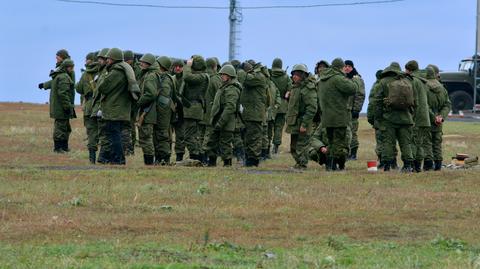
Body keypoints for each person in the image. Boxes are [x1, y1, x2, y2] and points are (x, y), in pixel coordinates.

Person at [318, 58, 358, 171]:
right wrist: (354, 80)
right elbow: (353, 88)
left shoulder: (323, 79)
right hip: (339, 116)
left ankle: (329, 164)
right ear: (340, 67)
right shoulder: (338, 78)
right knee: (339, 143)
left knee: (330, 142)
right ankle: (333, 165)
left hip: (326, 117)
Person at [374, 62, 415, 172]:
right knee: (406, 143)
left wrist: (378, 118)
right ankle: (407, 165)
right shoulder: (407, 81)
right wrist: (411, 115)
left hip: (389, 118)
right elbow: (414, 101)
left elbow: (377, 101)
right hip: (406, 118)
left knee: (388, 143)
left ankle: (387, 166)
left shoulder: (382, 82)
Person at [96, 48, 132, 165]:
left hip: (114, 109)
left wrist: (102, 78)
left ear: (114, 59)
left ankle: (118, 159)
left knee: (114, 135)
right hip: (119, 109)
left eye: (109, 58)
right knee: (115, 134)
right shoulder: (122, 70)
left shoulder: (116, 72)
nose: (107, 61)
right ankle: (115, 159)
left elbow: (103, 87)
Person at [205, 64, 241, 167]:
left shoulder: (232, 89)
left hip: (226, 121)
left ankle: (227, 164)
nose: (221, 76)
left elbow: (230, 107)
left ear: (229, 76)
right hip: (219, 119)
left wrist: (221, 122)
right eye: (221, 74)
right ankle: (211, 163)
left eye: (224, 74)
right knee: (212, 142)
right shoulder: (225, 86)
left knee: (225, 144)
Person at [39, 57, 76, 153]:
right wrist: (67, 107)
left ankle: (63, 147)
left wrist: (44, 85)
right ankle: (58, 148)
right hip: (61, 108)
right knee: (60, 128)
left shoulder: (59, 75)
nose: (72, 69)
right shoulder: (64, 77)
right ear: (66, 67)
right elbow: (63, 94)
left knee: (65, 128)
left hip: (59, 107)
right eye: (71, 67)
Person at [285, 64, 318, 169]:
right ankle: (299, 163)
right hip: (294, 122)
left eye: (298, 74)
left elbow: (312, 108)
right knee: (293, 146)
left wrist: (304, 124)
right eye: (294, 74)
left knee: (301, 146)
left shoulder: (308, 88)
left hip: (302, 122)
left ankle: (302, 165)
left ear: (303, 75)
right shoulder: (295, 87)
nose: (295, 76)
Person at [240, 60, 269, 167]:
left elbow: (246, 79)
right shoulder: (255, 76)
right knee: (248, 138)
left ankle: (253, 161)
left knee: (254, 138)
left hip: (255, 114)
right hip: (250, 113)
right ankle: (249, 160)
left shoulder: (259, 76)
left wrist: (242, 70)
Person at [405, 60, 431, 172]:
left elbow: (412, 100)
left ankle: (412, 166)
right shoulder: (423, 81)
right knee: (420, 143)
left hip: (416, 116)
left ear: (409, 69)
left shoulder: (413, 81)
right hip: (425, 117)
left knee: (413, 142)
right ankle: (418, 166)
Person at [182, 55, 209, 161]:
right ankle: (199, 157)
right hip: (192, 109)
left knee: (188, 136)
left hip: (193, 110)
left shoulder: (202, 76)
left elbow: (187, 77)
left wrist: (187, 66)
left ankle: (196, 156)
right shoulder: (199, 75)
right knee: (194, 135)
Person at [424, 66, 451, 170]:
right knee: (437, 143)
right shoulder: (442, 88)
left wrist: (433, 116)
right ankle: (438, 165)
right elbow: (447, 105)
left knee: (426, 142)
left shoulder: (424, 87)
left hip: (427, 119)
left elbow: (424, 105)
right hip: (439, 120)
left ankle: (428, 165)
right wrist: (441, 116)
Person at [136, 53, 159, 165]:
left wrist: (138, 103)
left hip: (148, 111)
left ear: (148, 64)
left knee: (146, 138)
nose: (141, 63)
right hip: (148, 110)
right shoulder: (149, 74)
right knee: (145, 138)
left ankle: (149, 164)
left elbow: (151, 94)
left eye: (143, 62)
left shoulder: (150, 76)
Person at [75, 52, 99, 163]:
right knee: (105, 132)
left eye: (86, 59)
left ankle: (92, 159)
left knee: (91, 132)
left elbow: (79, 89)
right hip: (102, 105)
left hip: (89, 106)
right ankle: (104, 158)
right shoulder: (103, 71)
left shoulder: (85, 74)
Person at [154, 56, 176, 165]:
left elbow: (164, 98)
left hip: (164, 111)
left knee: (163, 134)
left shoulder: (166, 79)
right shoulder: (161, 77)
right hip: (163, 110)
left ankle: (164, 158)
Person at [269, 58, 292, 154]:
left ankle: (266, 146)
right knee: (279, 127)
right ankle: (276, 147)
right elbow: (290, 89)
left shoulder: (269, 75)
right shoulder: (286, 77)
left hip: (271, 104)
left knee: (269, 127)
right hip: (282, 106)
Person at [344, 60, 365, 160]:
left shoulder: (356, 79)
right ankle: (346, 152)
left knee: (352, 132)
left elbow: (360, 95)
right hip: (343, 111)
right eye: (345, 66)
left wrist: (356, 110)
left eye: (349, 66)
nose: (347, 68)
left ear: (352, 68)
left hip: (352, 111)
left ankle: (353, 154)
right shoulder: (342, 78)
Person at [170, 59, 186, 161]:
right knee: (167, 135)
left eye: (180, 66)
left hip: (182, 111)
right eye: (176, 66)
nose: (178, 68)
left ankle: (179, 157)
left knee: (180, 136)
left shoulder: (186, 79)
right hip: (171, 110)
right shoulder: (171, 78)